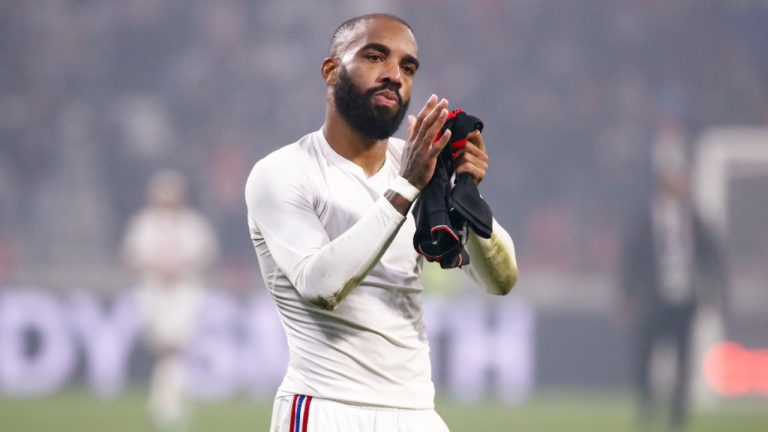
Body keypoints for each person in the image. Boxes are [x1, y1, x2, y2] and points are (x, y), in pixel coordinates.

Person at [245, 13, 519, 432]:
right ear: (331, 70)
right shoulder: (283, 172)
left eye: (407, 67)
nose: (394, 75)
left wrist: (467, 196)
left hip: (416, 413)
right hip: (324, 407)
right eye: (375, 57)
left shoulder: (421, 165)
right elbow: (319, 286)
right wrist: (406, 186)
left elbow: (500, 280)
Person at [619, 120, 726, 431]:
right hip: (653, 298)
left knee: (683, 359)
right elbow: (631, 258)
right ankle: (647, 408)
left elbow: (713, 256)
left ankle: (678, 416)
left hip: (685, 299)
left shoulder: (694, 216)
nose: (682, 182)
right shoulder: (647, 216)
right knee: (645, 356)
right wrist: (625, 295)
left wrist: (716, 290)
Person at [122, 170, 219, 432]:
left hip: (184, 291)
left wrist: (180, 265)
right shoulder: (144, 224)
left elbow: (206, 254)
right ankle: (167, 405)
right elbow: (132, 257)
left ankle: (167, 407)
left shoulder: (192, 225)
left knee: (175, 348)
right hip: (153, 291)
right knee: (165, 351)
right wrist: (158, 265)